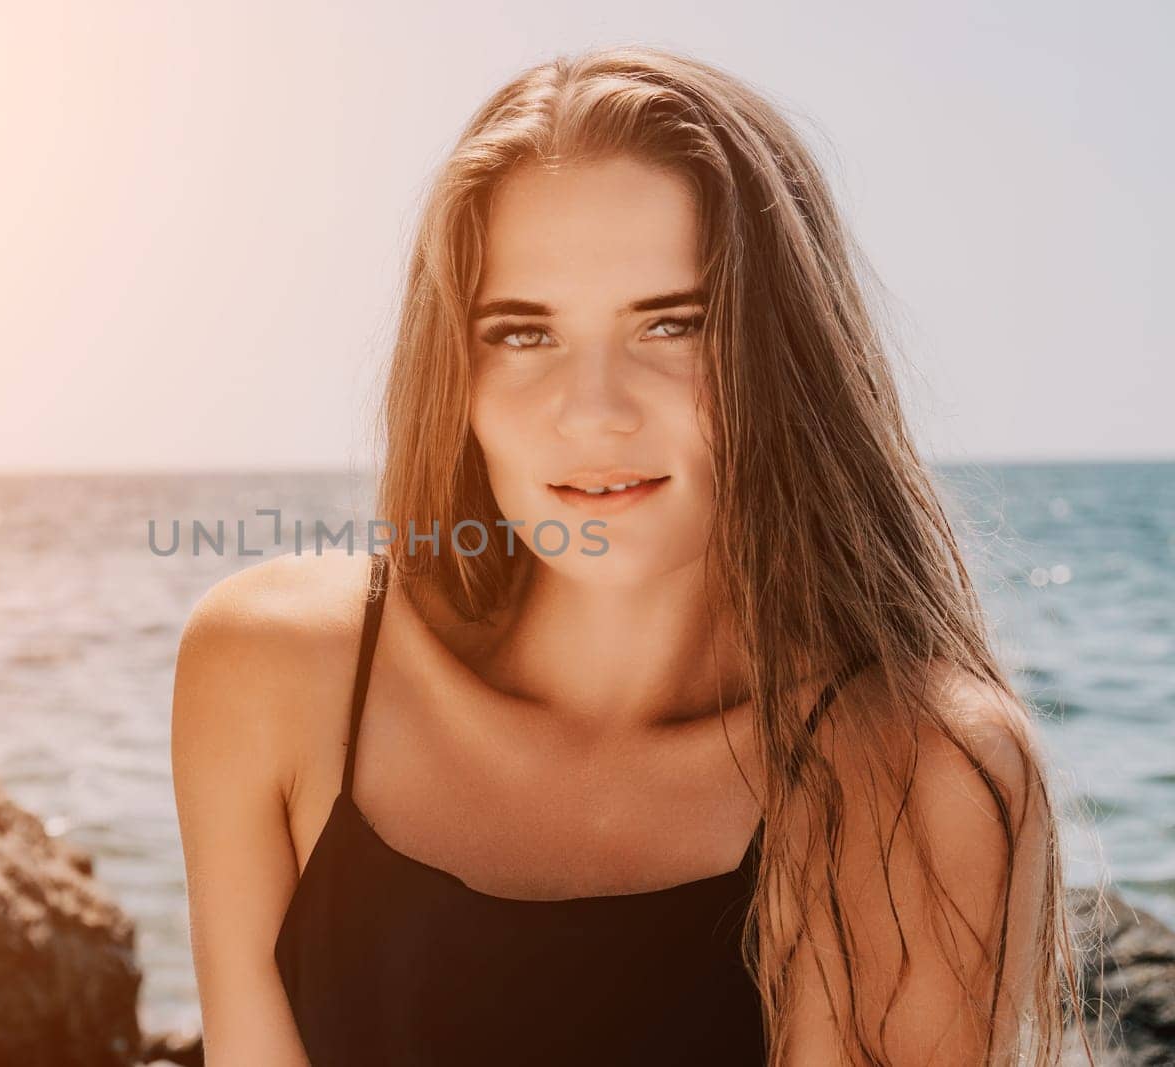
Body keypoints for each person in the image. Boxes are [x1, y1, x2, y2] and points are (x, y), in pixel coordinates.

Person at [172, 44, 1084, 1066]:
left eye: (671, 324)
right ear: (454, 373)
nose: (592, 410)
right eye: (523, 333)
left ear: (780, 357)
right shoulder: (269, 672)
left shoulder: (907, 775)